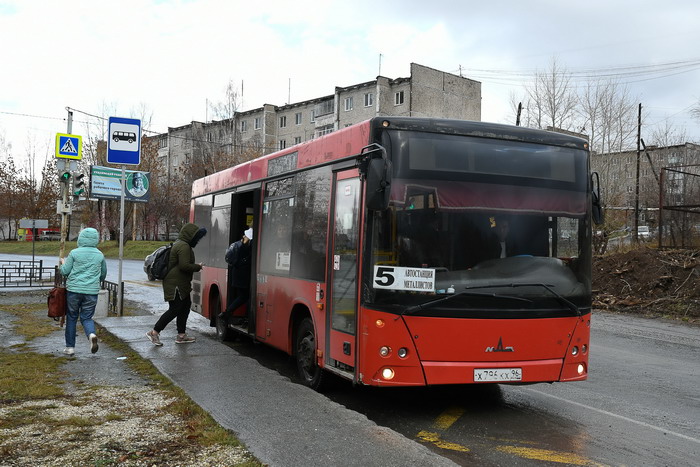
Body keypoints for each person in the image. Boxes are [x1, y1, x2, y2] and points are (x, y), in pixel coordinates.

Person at [146, 223, 207, 345]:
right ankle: (154, 332)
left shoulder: (181, 244)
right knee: (175, 309)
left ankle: (181, 335)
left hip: (180, 284)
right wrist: (198, 266)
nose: (197, 240)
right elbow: (184, 265)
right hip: (176, 286)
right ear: (190, 236)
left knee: (184, 308)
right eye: (196, 237)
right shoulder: (183, 246)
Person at [59, 227, 107, 356]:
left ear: (80, 239)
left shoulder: (74, 253)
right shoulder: (100, 254)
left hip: (74, 290)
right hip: (91, 291)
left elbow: (65, 271)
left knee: (72, 317)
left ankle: (70, 347)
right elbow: (103, 274)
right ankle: (91, 334)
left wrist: (62, 263)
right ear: (95, 240)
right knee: (86, 317)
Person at [218, 228, 253, 325]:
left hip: (237, 274)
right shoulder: (244, 246)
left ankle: (234, 314)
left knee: (244, 296)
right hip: (242, 276)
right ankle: (227, 313)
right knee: (244, 296)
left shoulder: (238, 244)